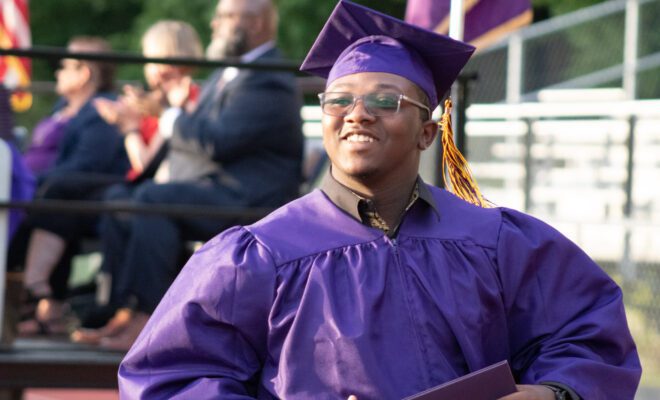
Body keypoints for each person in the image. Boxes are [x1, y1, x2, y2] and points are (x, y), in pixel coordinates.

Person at [118, 1, 641, 399]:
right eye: (339, 99)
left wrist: (551, 393)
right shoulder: (259, 256)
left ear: (428, 133)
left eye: (385, 100)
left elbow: (587, 332)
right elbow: (173, 376)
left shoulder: (496, 242)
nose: (357, 113)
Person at [72, 0, 303, 350]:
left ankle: (148, 320)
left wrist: (169, 115)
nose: (214, 25)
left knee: (153, 200)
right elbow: (205, 131)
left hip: (254, 200)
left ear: (256, 24)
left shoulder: (268, 77)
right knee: (129, 200)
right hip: (221, 188)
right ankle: (125, 311)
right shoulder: (232, 71)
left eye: (225, 17)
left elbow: (218, 141)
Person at [9, 36, 129, 336]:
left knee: (54, 195)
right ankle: (38, 298)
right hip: (48, 188)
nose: (57, 72)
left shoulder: (102, 111)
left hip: (88, 192)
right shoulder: (62, 106)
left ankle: (34, 294)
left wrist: (34, 182)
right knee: (44, 196)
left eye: (65, 66)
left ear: (85, 73)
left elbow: (88, 165)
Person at [94, 20, 203, 183]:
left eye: (149, 59)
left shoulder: (186, 101)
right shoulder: (153, 101)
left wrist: (129, 127)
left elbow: (145, 164)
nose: (146, 67)